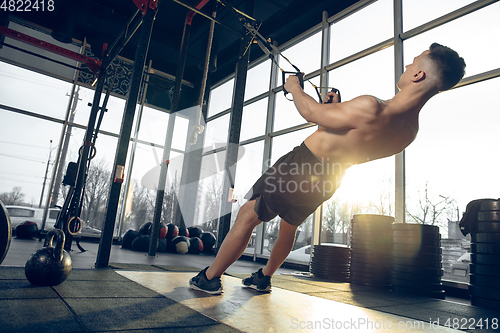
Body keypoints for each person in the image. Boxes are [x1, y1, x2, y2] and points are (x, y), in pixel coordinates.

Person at [189, 43, 466, 294]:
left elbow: (310, 113)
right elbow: (347, 144)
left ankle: (210, 278)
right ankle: (263, 277)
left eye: (413, 62)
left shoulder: (372, 107)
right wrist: (332, 114)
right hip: (330, 179)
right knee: (288, 227)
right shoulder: (409, 132)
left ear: (418, 76)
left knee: (247, 215)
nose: (407, 66)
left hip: (301, 165)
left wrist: (294, 89)